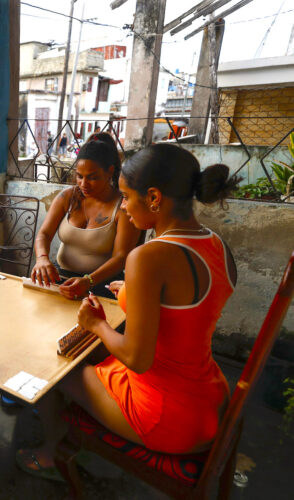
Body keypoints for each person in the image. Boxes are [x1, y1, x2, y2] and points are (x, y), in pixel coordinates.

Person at [17, 144, 240, 477]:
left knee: (49, 371)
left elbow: (137, 359)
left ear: (153, 197)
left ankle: (53, 452)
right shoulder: (216, 245)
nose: (122, 206)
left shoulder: (149, 257)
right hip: (208, 400)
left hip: (164, 413)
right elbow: (185, 311)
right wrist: (132, 292)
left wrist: (96, 325)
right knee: (84, 358)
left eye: (125, 196)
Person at [30, 134, 140, 299]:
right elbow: (44, 234)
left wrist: (88, 280)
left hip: (102, 284)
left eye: (92, 177)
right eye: (79, 176)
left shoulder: (122, 206)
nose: (83, 184)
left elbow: (121, 257)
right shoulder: (68, 196)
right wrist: (42, 259)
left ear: (110, 171)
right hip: (62, 278)